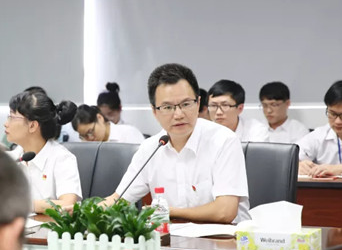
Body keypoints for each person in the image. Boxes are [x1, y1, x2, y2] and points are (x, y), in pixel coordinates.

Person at [102, 64, 250, 224]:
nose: (178, 115)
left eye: (186, 104)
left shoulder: (224, 140)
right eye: (167, 107)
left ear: (198, 103)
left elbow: (225, 211)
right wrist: (86, 213)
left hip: (225, 236)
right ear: (154, 111)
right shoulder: (150, 148)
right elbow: (118, 200)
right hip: (172, 236)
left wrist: (170, 212)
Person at [4, 89, 82, 213]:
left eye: (12, 117)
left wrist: (25, 204)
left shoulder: (62, 158)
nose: (6, 124)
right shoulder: (11, 159)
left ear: (32, 126)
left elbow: (68, 204)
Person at [72, 105, 145, 144]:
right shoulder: (87, 146)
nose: (90, 138)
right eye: (84, 136)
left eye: (90, 132)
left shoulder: (129, 134)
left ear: (100, 118)